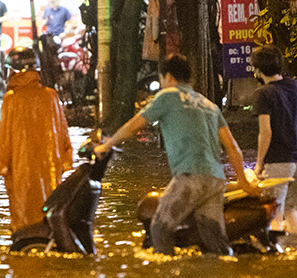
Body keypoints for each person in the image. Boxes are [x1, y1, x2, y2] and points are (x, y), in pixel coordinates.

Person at [95, 53, 258, 255]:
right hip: (216, 180)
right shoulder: (209, 105)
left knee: (160, 228)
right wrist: (243, 182)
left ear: (168, 77)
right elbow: (233, 148)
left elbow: (133, 126)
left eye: (161, 78)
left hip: (190, 177)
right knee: (215, 243)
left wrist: (107, 145)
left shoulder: (167, 96)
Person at [0, 46, 73, 232]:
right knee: (48, 222)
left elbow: (1, 143)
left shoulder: (11, 100)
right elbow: (64, 140)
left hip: (22, 178)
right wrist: (65, 163)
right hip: (51, 176)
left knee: (25, 228)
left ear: (12, 71)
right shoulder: (51, 96)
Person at [251, 44, 297, 234]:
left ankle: (278, 258)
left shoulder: (263, 94)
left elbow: (266, 132)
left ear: (257, 70)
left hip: (278, 160)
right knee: (291, 209)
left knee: (274, 213)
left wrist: (259, 163)